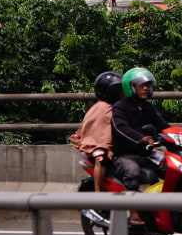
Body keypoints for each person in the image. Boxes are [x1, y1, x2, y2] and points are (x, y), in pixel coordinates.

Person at [70, 71, 143, 225]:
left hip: (115, 147)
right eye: (120, 90)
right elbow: (101, 131)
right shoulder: (102, 108)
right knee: (101, 157)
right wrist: (107, 147)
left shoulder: (118, 106)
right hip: (96, 146)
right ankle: (98, 192)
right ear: (112, 91)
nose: (124, 93)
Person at [111, 67, 170, 196]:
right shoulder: (120, 107)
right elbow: (121, 128)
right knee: (132, 172)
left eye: (148, 85)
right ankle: (134, 213)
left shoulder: (148, 107)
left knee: (170, 169)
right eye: (141, 85)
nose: (145, 88)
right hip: (125, 155)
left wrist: (181, 134)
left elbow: (162, 124)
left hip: (146, 154)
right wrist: (141, 138)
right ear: (130, 87)